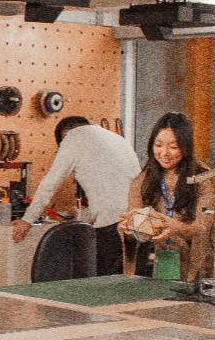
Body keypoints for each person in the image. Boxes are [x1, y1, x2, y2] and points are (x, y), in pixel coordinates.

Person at [12, 115, 140, 276]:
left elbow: (50, 182)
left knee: (105, 286)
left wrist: (27, 220)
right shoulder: (116, 139)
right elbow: (116, 192)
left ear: (64, 136)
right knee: (134, 284)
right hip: (139, 223)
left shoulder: (73, 138)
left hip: (113, 229)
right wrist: (83, 214)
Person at [122, 112, 215, 282]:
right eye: (158, 145)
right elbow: (138, 229)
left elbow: (204, 228)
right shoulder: (143, 181)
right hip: (165, 264)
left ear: (186, 147)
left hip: (204, 267)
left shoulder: (205, 179)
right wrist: (131, 229)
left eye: (174, 147)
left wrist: (176, 226)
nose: (164, 153)